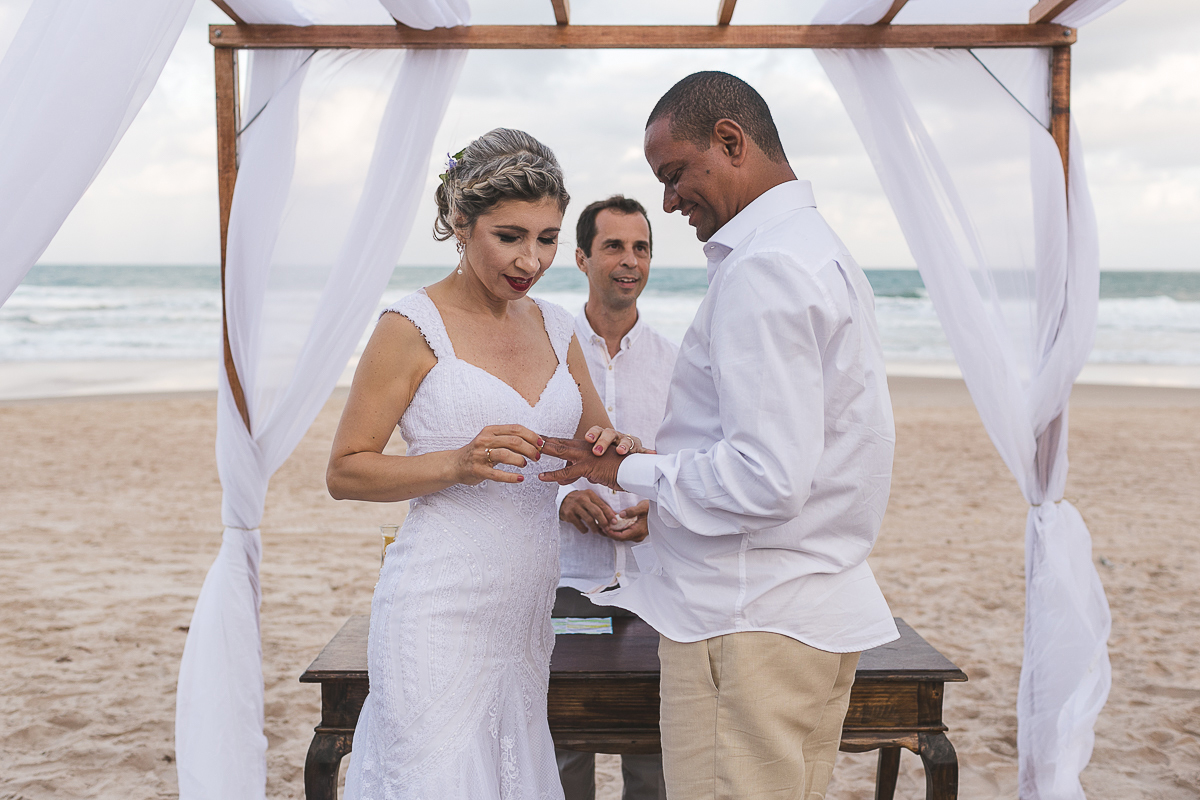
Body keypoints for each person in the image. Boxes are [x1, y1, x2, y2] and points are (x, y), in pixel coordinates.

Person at [540, 72, 900, 799]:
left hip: (747, 628)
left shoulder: (764, 268)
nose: (670, 200)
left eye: (674, 175)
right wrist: (653, 470)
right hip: (805, 614)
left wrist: (626, 474)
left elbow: (766, 478)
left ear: (730, 141)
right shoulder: (817, 250)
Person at [326, 128, 642, 800]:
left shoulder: (559, 328)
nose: (532, 259)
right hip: (435, 609)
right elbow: (346, 470)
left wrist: (615, 455)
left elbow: (595, 443)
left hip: (525, 609)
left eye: (549, 238)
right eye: (511, 236)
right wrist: (456, 463)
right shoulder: (409, 327)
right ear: (459, 222)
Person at [553, 196, 677, 800]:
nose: (630, 261)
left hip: (656, 587)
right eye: (614, 246)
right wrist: (561, 503)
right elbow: (513, 460)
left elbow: (694, 469)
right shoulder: (546, 354)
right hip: (564, 582)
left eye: (642, 247)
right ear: (581, 257)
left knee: (653, 752)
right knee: (563, 747)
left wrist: (658, 510)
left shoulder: (677, 365)